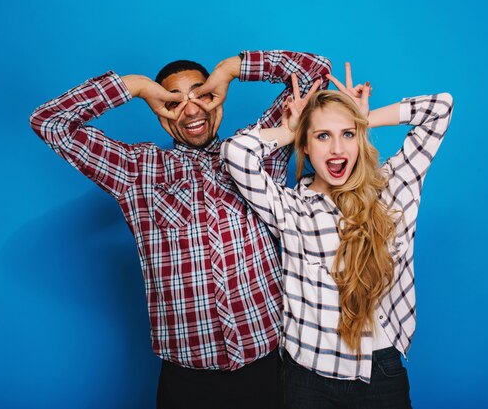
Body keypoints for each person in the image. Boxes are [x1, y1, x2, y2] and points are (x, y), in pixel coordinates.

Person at [29, 50, 331, 409]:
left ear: (216, 98)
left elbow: (316, 72)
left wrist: (231, 69)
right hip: (188, 380)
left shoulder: (261, 150)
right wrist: (138, 86)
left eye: (201, 95)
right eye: (173, 101)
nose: (190, 111)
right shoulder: (136, 172)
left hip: (271, 365)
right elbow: (50, 122)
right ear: (159, 113)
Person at [221, 64, 454, 408]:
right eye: (322, 136)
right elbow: (235, 153)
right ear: (306, 144)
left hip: (381, 372)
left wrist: (363, 119)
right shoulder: (289, 208)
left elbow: (440, 108)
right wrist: (290, 131)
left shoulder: (391, 189)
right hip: (308, 375)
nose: (337, 150)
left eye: (347, 135)